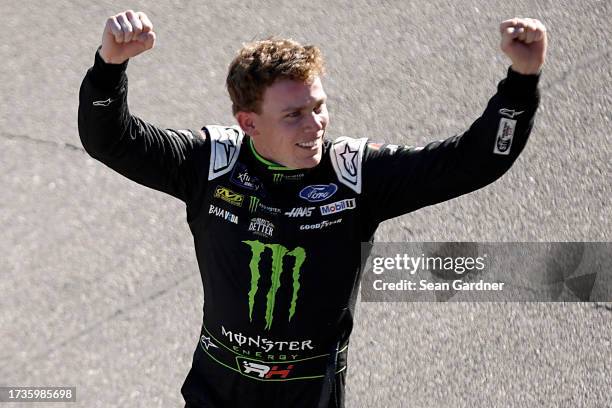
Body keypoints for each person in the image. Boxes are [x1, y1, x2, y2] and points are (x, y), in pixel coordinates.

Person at [78, 10, 547, 408]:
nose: (316, 124)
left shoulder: (357, 175)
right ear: (248, 123)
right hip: (216, 390)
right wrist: (108, 67)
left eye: (319, 107)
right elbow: (110, 140)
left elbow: (471, 162)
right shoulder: (210, 164)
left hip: (308, 395)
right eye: (294, 115)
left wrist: (520, 83)